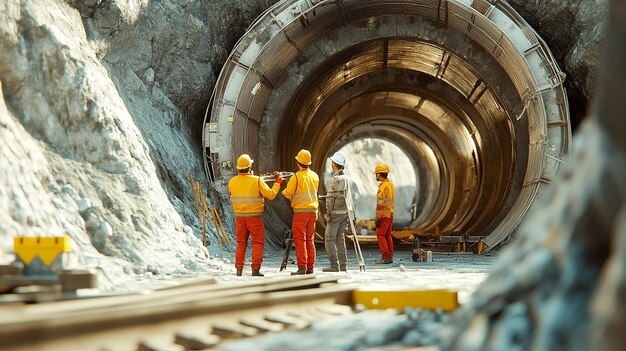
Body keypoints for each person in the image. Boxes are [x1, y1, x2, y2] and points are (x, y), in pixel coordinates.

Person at [228, 154, 283, 277]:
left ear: (238, 168)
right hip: (254, 217)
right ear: (250, 167)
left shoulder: (232, 181)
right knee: (257, 242)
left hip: (240, 217)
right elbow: (271, 195)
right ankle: (255, 270)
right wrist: (277, 183)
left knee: (241, 243)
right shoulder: (257, 180)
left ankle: (239, 269)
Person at [282, 149, 320, 275]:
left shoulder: (296, 177)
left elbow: (288, 193)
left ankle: (302, 267)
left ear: (298, 162)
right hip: (313, 211)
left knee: (300, 240)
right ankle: (310, 267)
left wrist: (283, 189)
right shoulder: (315, 176)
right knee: (310, 239)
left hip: (300, 212)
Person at [322, 151, 353, 272]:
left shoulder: (333, 180)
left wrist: (327, 213)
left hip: (334, 214)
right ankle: (343, 265)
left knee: (329, 239)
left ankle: (334, 266)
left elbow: (330, 199)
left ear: (334, 164)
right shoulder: (346, 179)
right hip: (344, 213)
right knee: (340, 238)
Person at [374, 164, 395, 264]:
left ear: (379, 174)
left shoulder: (382, 187)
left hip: (384, 215)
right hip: (390, 214)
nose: (375, 176)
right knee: (387, 235)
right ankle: (389, 256)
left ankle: (385, 257)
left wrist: (378, 218)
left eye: (376, 174)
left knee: (380, 235)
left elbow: (380, 204)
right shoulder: (390, 184)